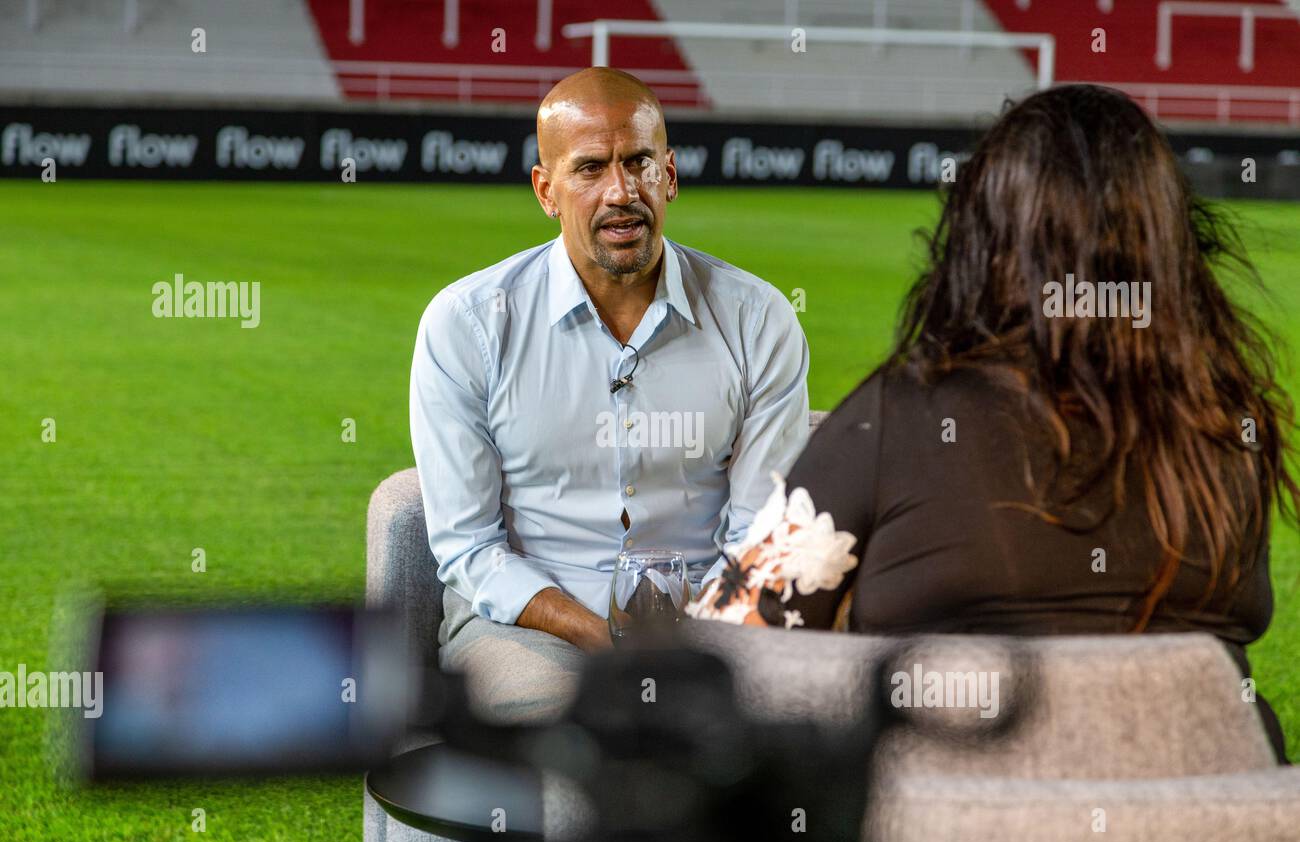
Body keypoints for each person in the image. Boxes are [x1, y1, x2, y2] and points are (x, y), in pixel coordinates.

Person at [686, 84, 1294, 762]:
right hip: (1216, 825)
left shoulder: (900, 416)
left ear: (983, 238)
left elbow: (734, 642)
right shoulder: (1230, 427)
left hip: (958, 831)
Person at [410, 68, 809, 721]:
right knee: (571, 733)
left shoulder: (758, 319)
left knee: (791, 727)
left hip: (714, 629)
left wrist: (692, 641)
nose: (622, 192)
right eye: (590, 168)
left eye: (640, 163)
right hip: (527, 631)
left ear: (671, 176)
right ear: (546, 190)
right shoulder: (468, 324)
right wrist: (604, 637)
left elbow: (758, 536)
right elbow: (470, 549)